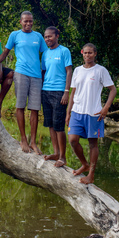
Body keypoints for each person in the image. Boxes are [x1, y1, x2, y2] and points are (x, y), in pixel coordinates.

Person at [0, 11, 48, 153]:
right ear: (20, 22)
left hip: (36, 76)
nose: (28, 24)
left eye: (30, 21)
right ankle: (23, 139)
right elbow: (5, 53)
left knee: (35, 109)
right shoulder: (14, 35)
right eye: (25, 21)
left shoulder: (38, 37)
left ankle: (33, 142)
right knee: (20, 106)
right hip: (21, 74)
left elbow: (46, 55)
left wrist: (45, 72)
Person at [66, 43, 116, 185]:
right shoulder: (77, 70)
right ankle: (84, 164)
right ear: (82, 53)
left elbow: (113, 90)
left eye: (90, 53)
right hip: (77, 112)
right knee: (73, 140)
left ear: (95, 54)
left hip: (93, 113)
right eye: (85, 53)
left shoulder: (100, 70)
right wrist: (68, 113)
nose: (87, 55)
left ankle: (91, 175)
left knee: (93, 144)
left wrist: (106, 107)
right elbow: (73, 92)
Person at [41, 27, 72, 168]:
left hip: (59, 92)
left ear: (57, 36)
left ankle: (63, 157)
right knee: (51, 124)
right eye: (46, 37)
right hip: (45, 91)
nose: (48, 39)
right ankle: (55, 153)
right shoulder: (45, 53)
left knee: (59, 126)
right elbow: (43, 72)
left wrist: (66, 91)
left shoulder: (64, 51)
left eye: (50, 36)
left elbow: (69, 71)